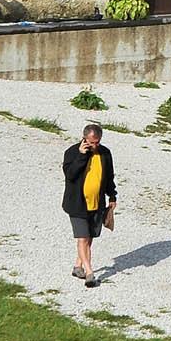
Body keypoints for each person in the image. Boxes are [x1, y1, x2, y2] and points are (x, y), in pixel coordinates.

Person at [61, 122, 116, 287]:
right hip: (77, 204)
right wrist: (82, 156)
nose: (95, 145)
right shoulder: (71, 152)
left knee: (90, 237)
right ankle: (89, 273)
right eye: (92, 142)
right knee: (82, 238)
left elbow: (109, 177)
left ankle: (78, 266)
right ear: (84, 138)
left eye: (97, 142)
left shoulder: (105, 153)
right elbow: (70, 175)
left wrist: (112, 196)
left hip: (96, 204)